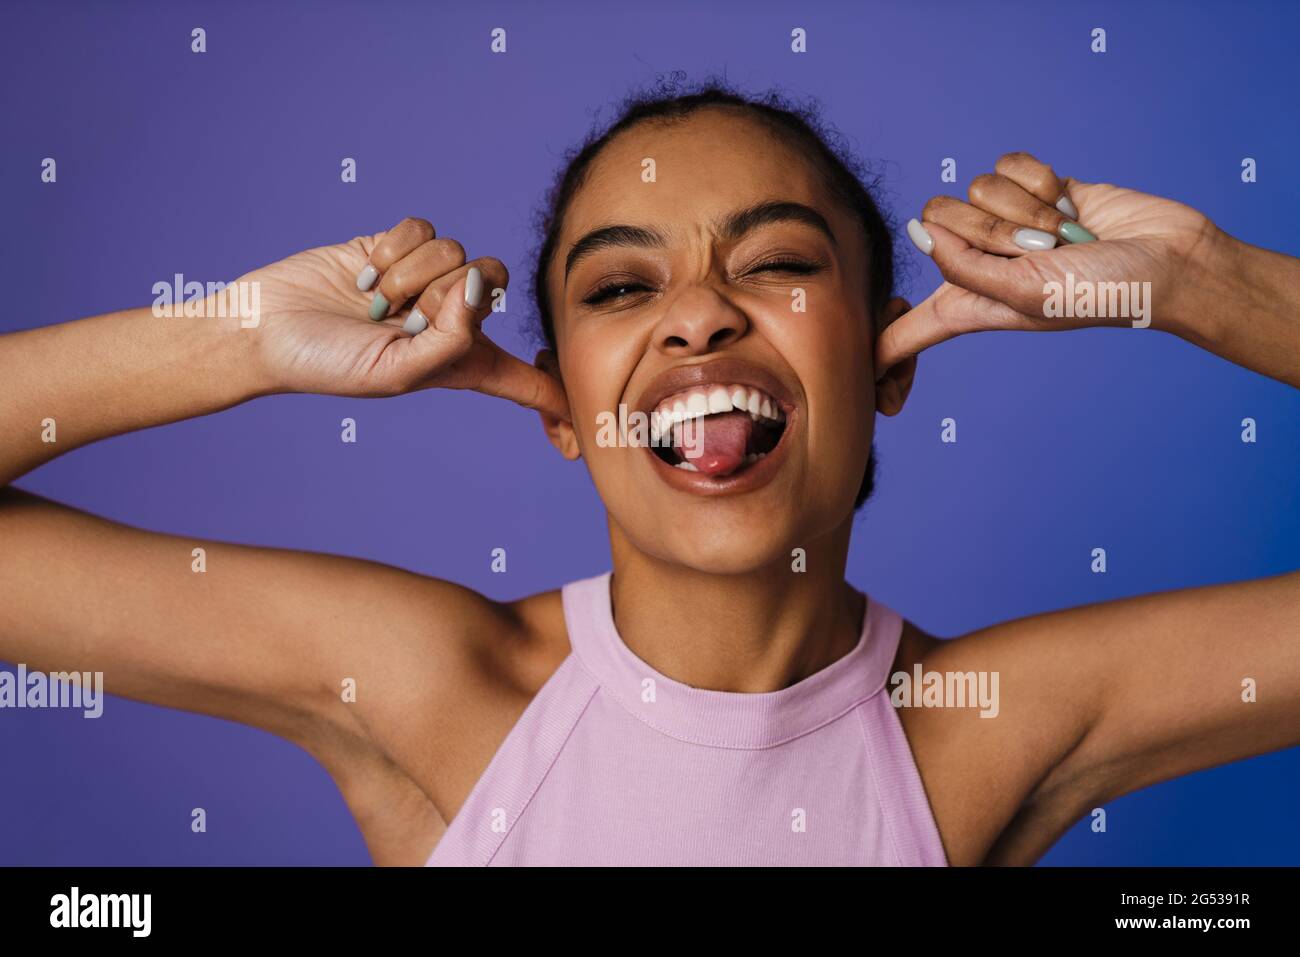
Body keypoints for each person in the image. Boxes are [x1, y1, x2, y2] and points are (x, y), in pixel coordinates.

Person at [2, 80, 1297, 866]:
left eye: (780, 261)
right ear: (562, 404)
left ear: (890, 361)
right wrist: (234, 336)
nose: (699, 317)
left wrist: (1206, 282)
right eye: (622, 286)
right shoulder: (430, 690)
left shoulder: (991, 725)